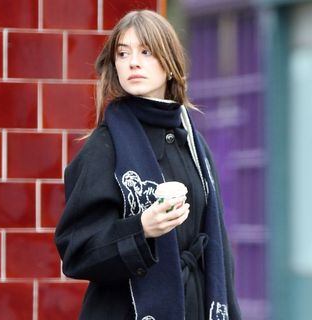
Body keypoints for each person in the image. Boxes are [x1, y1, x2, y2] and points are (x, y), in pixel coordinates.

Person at [55, 9, 241, 320]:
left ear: (170, 65)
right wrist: (141, 229)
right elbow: (76, 252)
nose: (133, 62)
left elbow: (219, 248)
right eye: (123, 53)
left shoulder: (194, 144)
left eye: (146, 51)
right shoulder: (104, 146)